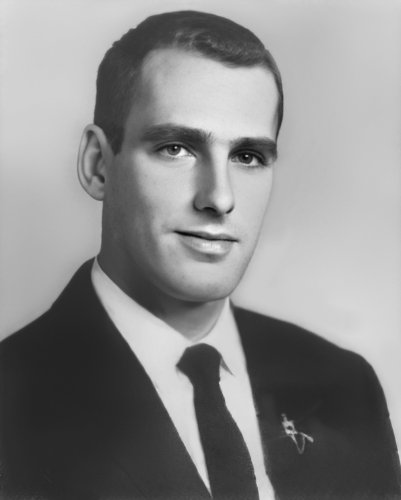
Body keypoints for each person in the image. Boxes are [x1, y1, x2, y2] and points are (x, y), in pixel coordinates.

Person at [0, 10, 400, 500]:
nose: (220, 198)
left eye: (248, 156)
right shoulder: (11, 402)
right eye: (176, 148)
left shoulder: (345, 386)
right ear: (98, 164)